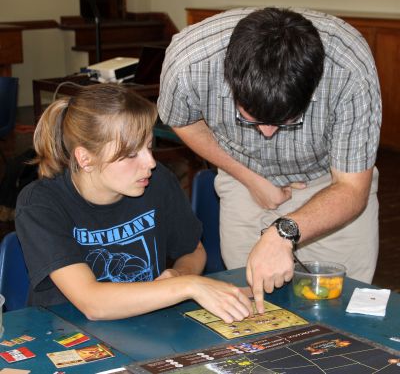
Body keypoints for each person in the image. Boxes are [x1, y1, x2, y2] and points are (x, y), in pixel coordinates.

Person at [158, 7, 381, 313]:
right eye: (251, 117)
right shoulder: (189, 63)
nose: (266, 132)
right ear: (230, 80)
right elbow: (182, 121)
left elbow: (352, 188)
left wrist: (282, 234)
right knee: (251, 307)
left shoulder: (349, 69)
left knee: (341, 309)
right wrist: (249, 176)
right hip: (240, 173)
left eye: (286, 121)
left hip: (329, 181)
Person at [15, 83, 253, 323]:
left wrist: (180, 273)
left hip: (145, 326)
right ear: (85, 158)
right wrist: (188, 285)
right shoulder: (40, 203)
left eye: (149, 147)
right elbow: (92, 303)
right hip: (66, 335)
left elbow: (192, 250)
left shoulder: (157, 180)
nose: (150, 162)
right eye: (131, 155)